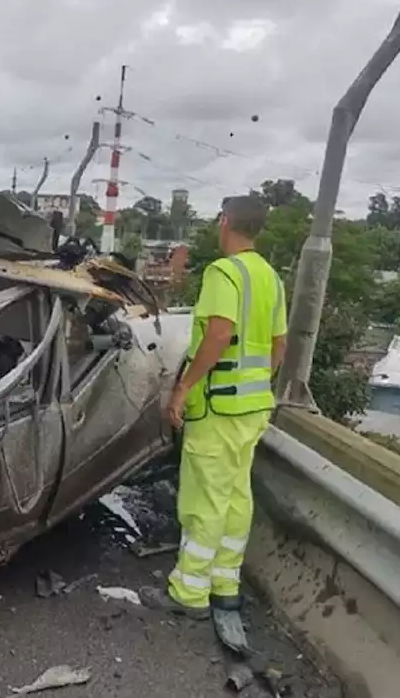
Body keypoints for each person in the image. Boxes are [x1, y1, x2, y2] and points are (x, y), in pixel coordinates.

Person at [139, 195, 288, 651]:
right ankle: (225, 584)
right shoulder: (270, 278)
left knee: (204, 498)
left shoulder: (223, 274)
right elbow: (278, 346)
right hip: (252, 408)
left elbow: (219, 334)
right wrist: (256, 384)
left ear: (226, 223)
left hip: (218, 408)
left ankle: (188, 592)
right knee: (235, 496)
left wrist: (184, 387)